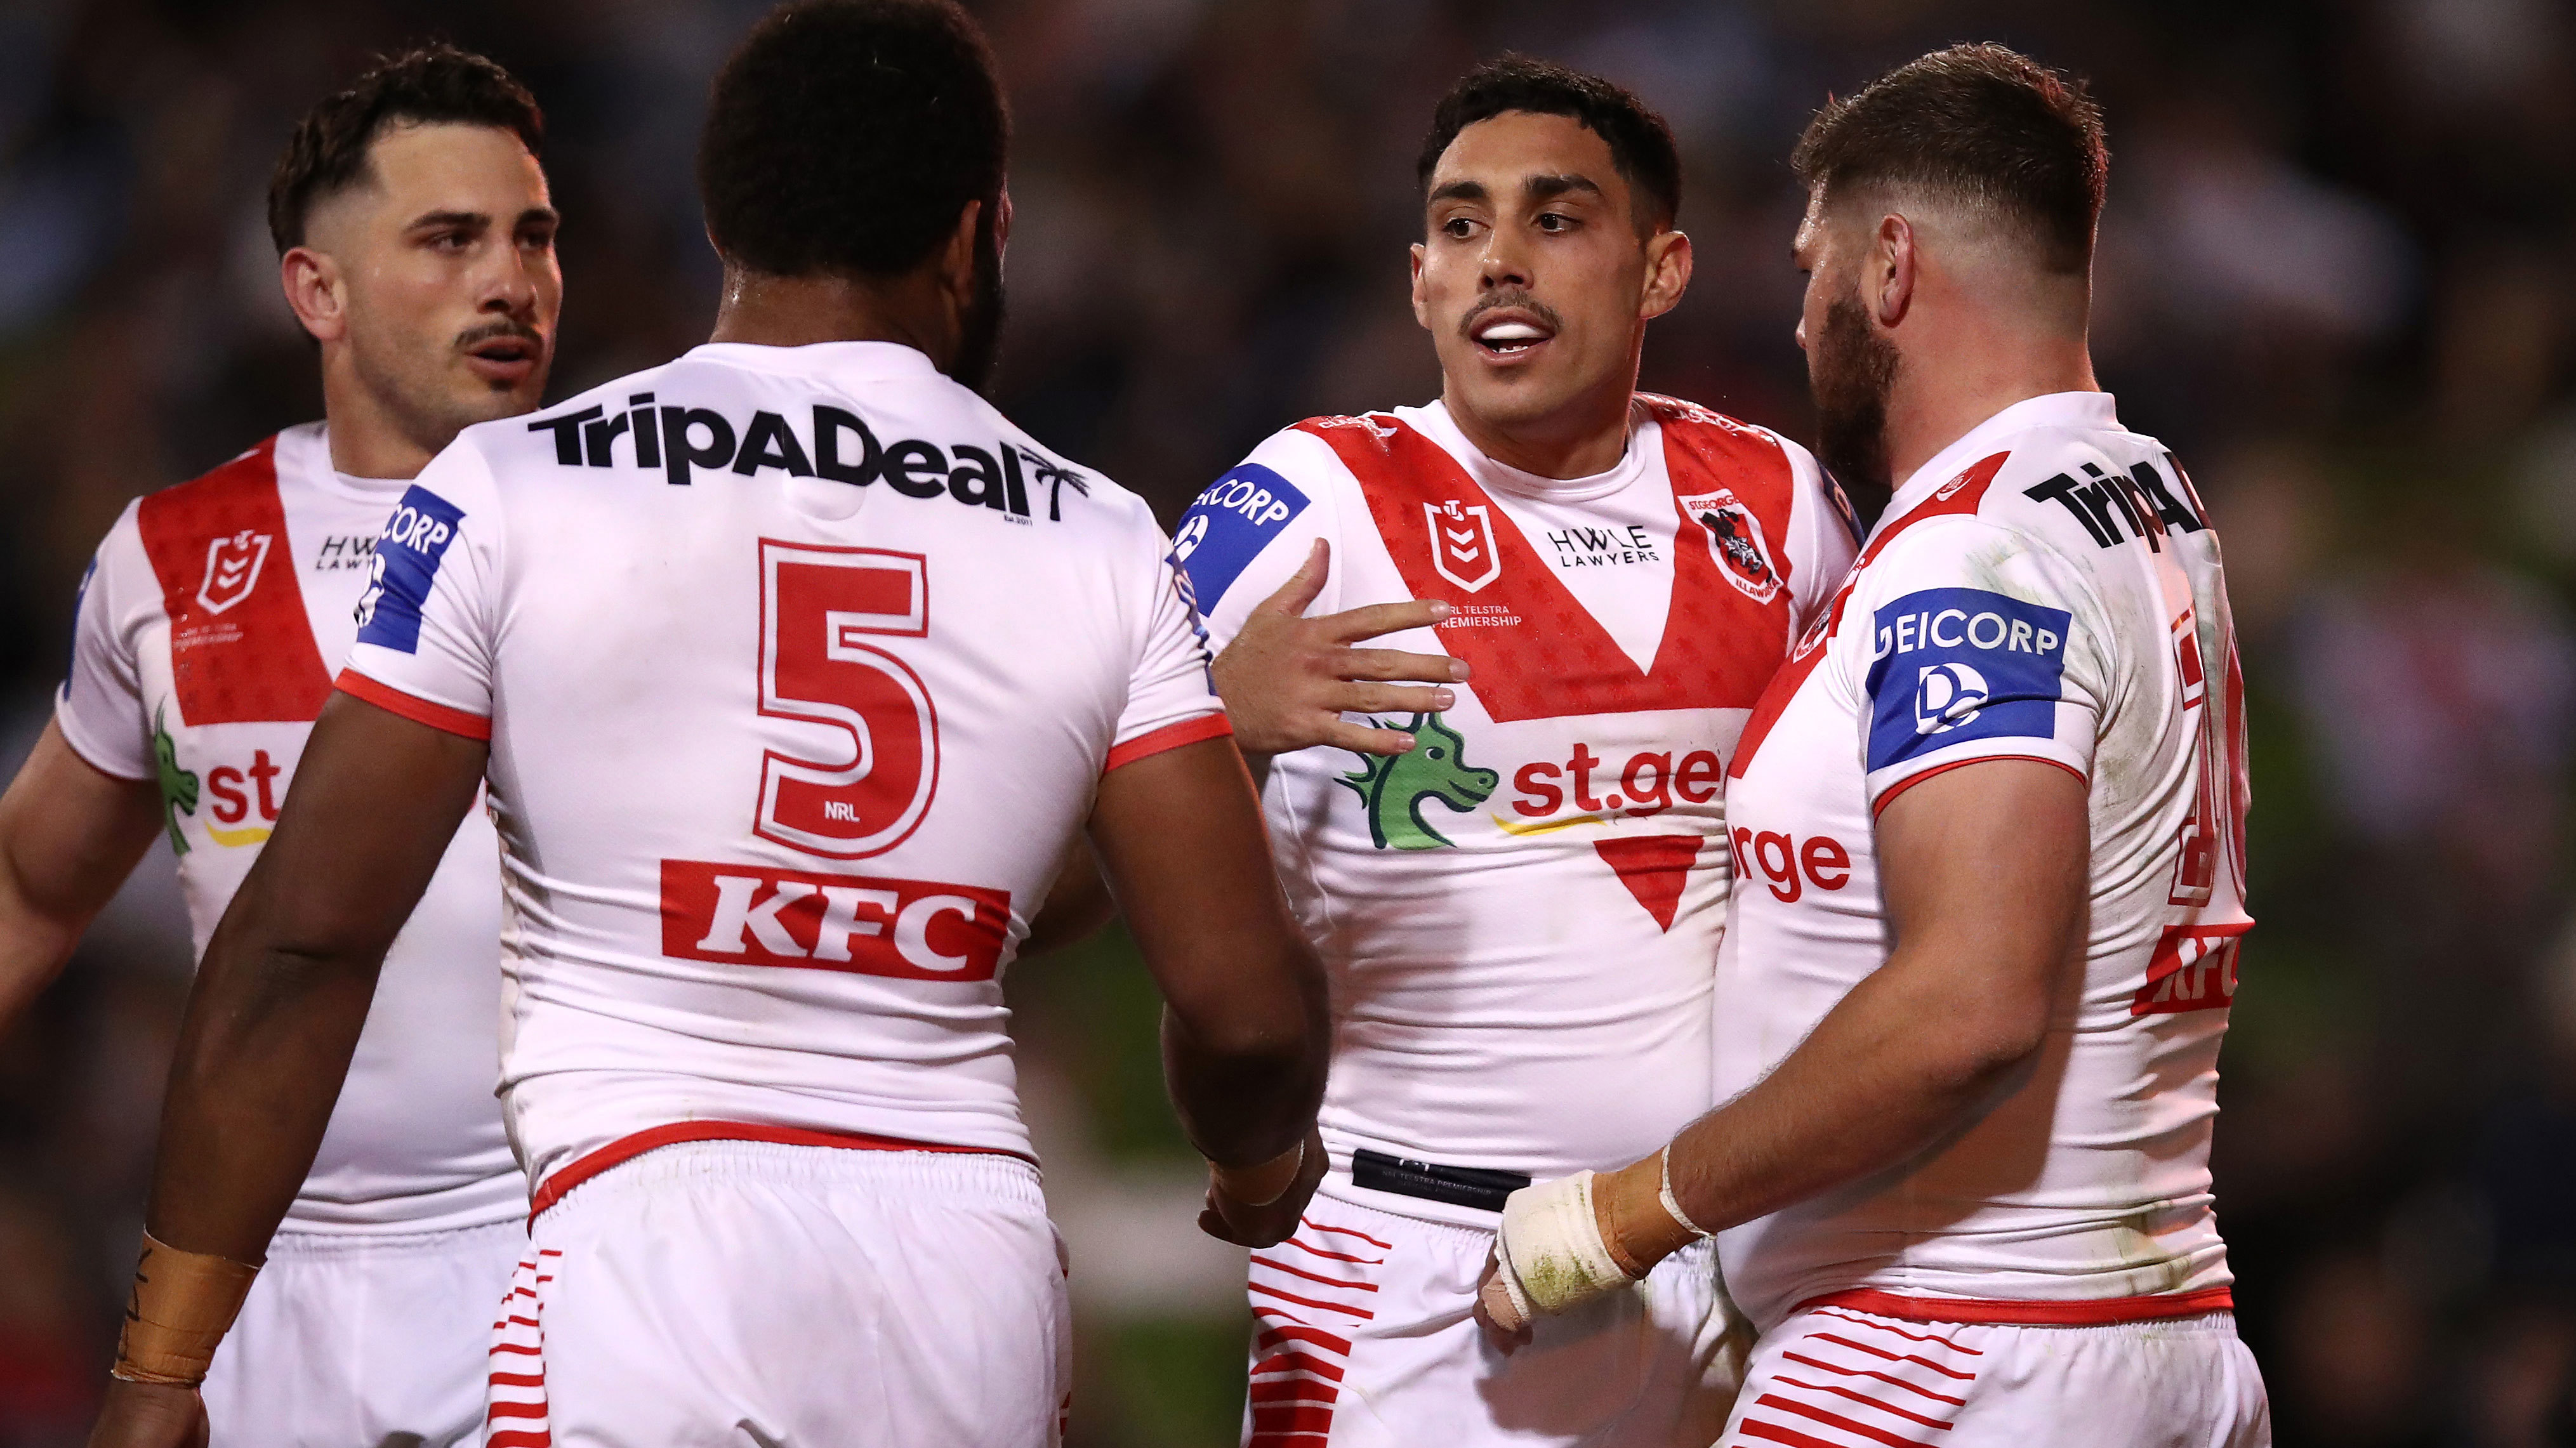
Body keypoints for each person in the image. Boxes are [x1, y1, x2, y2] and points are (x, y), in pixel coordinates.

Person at [84, 3, 1331, 1445]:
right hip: (959, 1266)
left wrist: (162, 1368)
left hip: (641, 1247)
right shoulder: (1100, 534)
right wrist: (1253, 1178)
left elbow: (301, 944)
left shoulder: (516, 487)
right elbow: (1239, 1008)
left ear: (720, 223)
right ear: (975, 236)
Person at [1474, 44, 2271, 1445]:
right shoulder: (2144, 497)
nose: (1797, 321)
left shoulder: (1969, 557)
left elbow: (1969, 999)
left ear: (1888, 267)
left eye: (1808, 269)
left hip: (1952, 1347)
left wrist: (1629, 1208)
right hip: (2155, 1336)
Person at [1165, 56, 1857, 1447]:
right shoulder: (1299, 500)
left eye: (1553, 220)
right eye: (1461, 226)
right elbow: (1053, 826)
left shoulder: (1778, 506)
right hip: (1405, 1271)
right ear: (1416, 277)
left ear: (1659, 269)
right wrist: (1206, 721)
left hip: (1702, 1257)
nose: (1498, 264)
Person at [0, 46, 557, 1447]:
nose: (512, 280)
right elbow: (32, 888)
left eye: (533, 236)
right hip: (258, 1283)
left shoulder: (628, 529)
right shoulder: (173, 557)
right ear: (318, 290)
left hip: (563, 1247)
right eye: (450, 239)